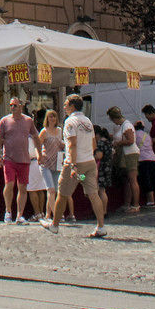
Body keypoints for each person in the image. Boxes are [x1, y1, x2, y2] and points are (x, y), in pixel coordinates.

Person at [46, 94, 105, 238]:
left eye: (66, 104)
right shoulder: (88, 121)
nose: (64, 107)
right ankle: (101, 226)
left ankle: (54, 225)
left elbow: (72, 144)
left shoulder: (70, 122)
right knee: (93, 193)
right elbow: (93, 144)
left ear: (72, 106)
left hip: (75, 165)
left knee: (63, 193)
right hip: (89, 164)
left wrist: (72, 165)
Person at [0, 96, 37, 223]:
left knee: (22, 187)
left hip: (24, 159)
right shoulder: (4, 121)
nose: (12, 107)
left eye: (15, 105)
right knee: (9, 184)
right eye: (11, 105)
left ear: (21, 106)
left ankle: (19, 215)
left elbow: (36, 136)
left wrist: (39, 153)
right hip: (9, 159)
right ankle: (8, 212)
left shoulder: (28, 120)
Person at [29, 106, 59, 222]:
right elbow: (38, 145)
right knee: (50, 190)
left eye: (54, 116)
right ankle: (56, 215)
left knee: (53, 191)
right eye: (50, 116)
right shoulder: (44, 131)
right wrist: (39, 156)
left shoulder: (59, 131)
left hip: (56, 163)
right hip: (46, 163)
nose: (52, 119)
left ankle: (47, 214)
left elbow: (60, 144)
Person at [134, 120, 155, 212]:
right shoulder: (147, 135)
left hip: (142, 158)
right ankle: (154, 199)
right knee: (152, 178)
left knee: (146, 179)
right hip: (152, 158)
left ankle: (150, 201)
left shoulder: (135, 134)